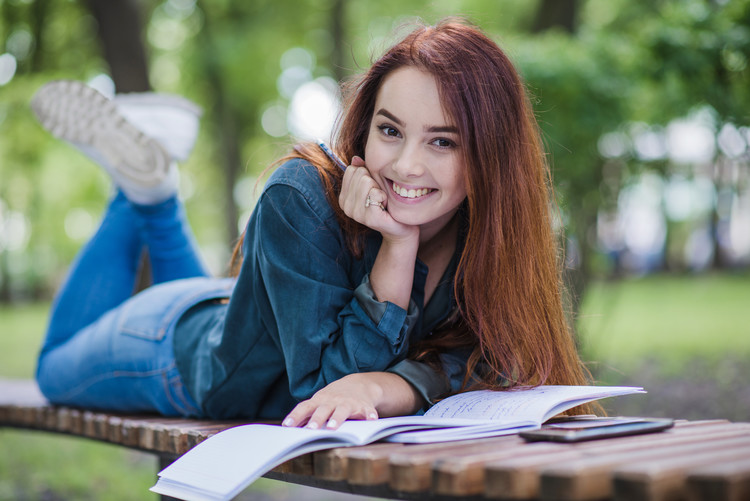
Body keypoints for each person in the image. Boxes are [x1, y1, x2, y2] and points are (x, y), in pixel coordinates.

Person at [33, 18, 595, 430]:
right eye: (391, 131)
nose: (405, 166)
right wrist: (397, 250)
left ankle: (152, 191)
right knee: (52, 372)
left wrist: (390, 384)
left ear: (491, 158)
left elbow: (498, 364)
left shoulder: (491, 237)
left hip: (239, 318)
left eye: (443, 141)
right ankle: (146, 196)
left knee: (231, 315)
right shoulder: (301, 196)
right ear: (366, 125)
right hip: (172, 356)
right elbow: (326, 394)